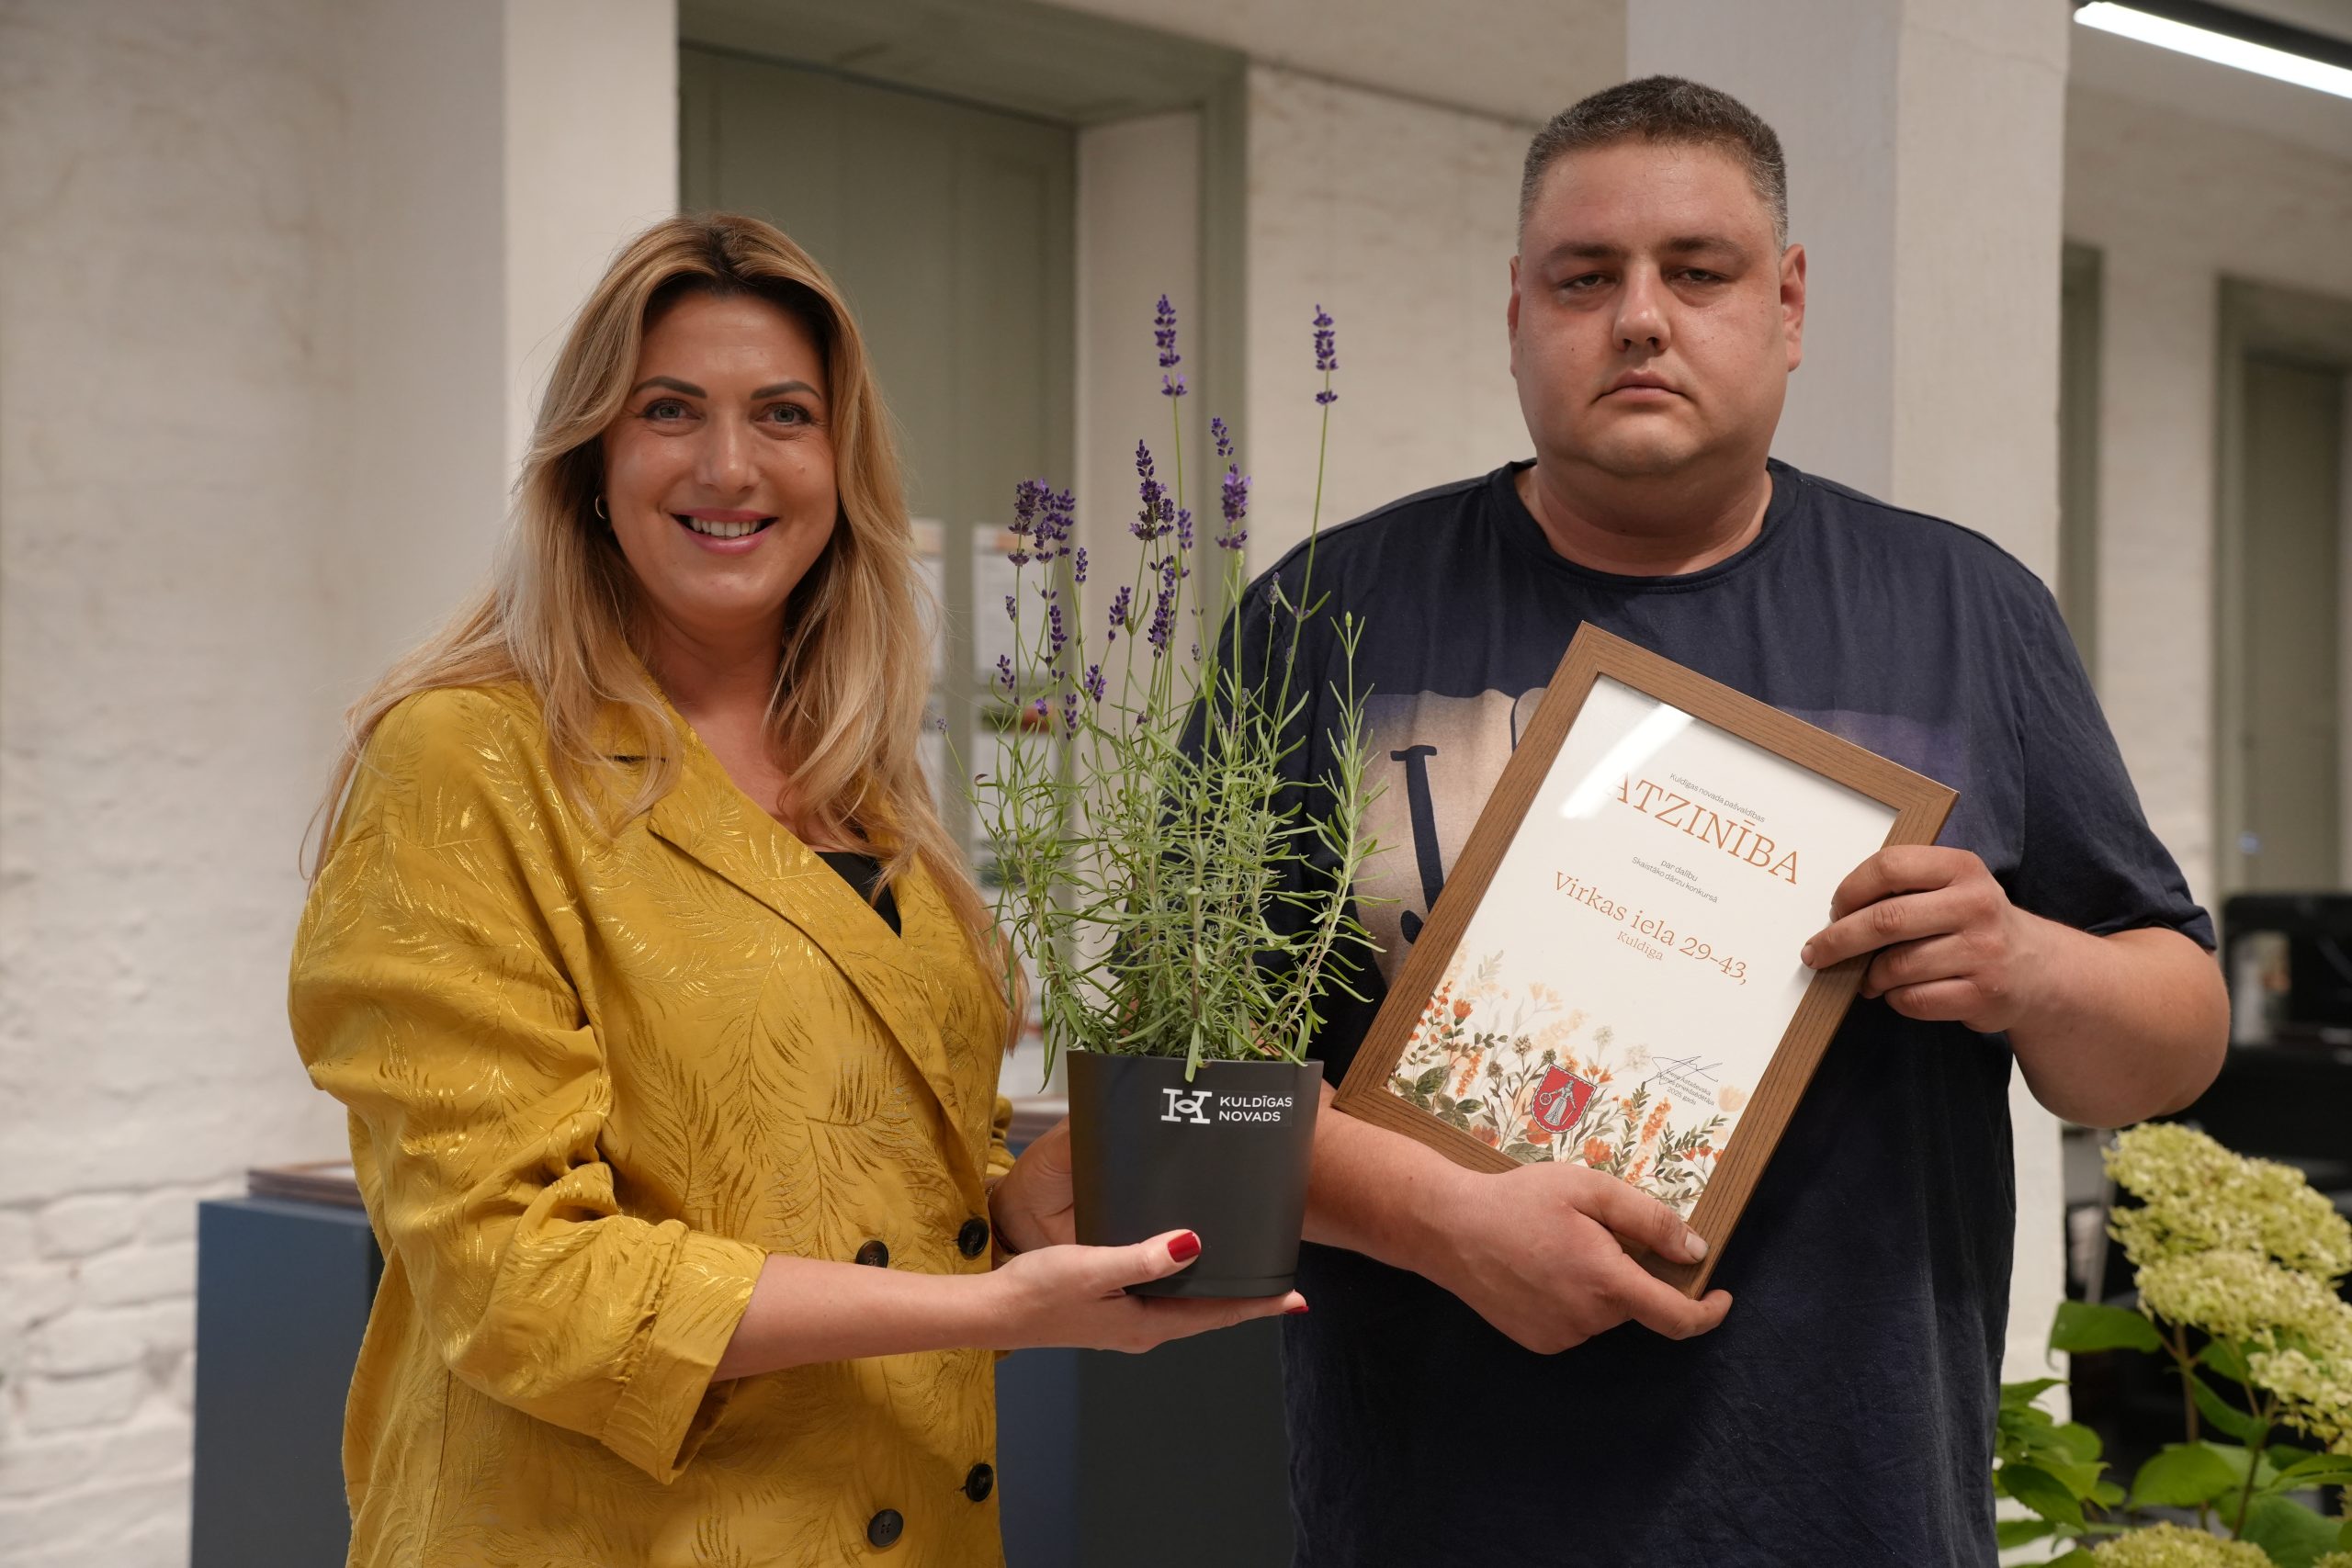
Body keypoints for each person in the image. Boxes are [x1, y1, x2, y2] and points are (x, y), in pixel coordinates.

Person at [1005, 78, 2228, 1565]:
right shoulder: (1329, 620)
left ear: (1788, 304)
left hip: (1857, 1511)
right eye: (1586, 278)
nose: (1640, 319)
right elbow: (1167, 1098)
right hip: (1436, 1517)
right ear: (1517, 311)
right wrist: (1438, 1220)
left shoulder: (1966, 613)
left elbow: (2174, 1037)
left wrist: (2031, 965)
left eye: (1698, 272)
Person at [288, 212, 1300, 1568]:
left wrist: (1016, 1208)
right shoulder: (464, 759)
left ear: (838, 466)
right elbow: (513, 1278)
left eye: (783, 414)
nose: (729, 465)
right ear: (591, 463)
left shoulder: (857, 777)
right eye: (669, 411)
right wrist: (991, 1310)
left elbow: (857, 1166)